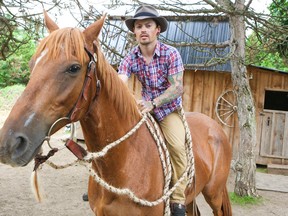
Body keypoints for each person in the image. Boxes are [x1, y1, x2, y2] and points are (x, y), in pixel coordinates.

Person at [118, 5, 187, 216]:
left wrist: (153, 103)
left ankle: (178, 198)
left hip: (168, 110)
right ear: (134, 31)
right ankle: (107, 186)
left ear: (157, 29)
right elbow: (121, 79)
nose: (143, 30)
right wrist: (125, 96)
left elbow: (177, 87)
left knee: (176, 146)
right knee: (117, 139)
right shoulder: (131, 56)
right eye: (139, 26)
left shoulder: (170, 53)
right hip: (144, 110)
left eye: (148, 25)